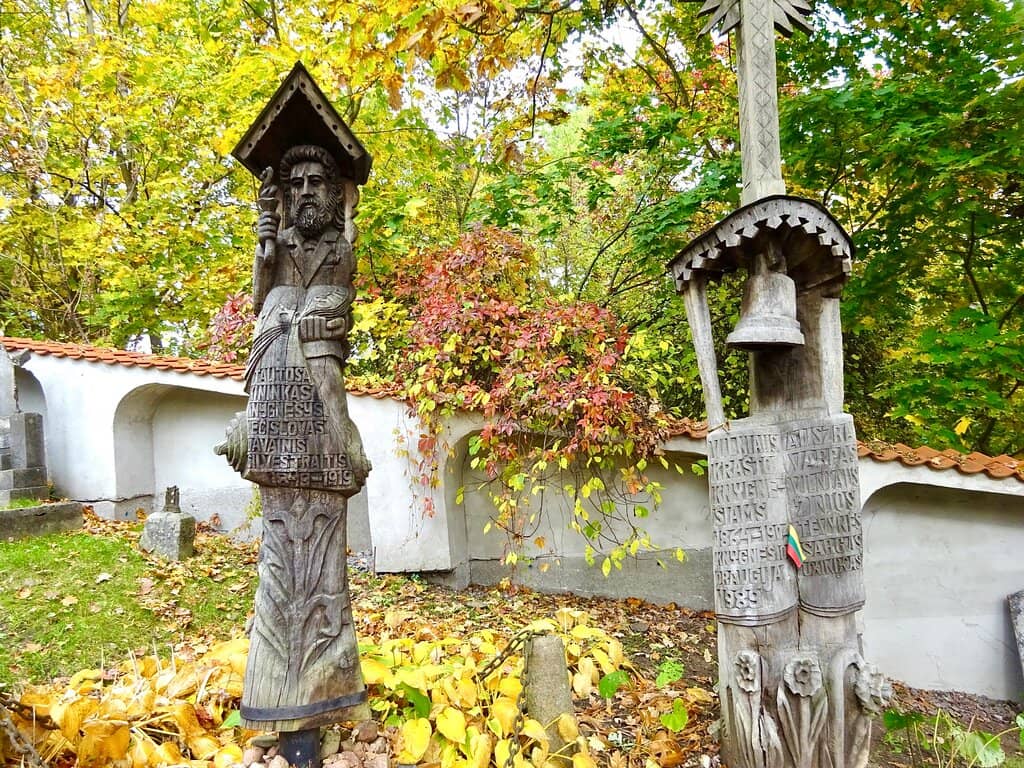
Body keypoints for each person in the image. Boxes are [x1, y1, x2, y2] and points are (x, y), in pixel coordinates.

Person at [219, 143, 371, 733]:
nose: (306, 191)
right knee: (280, 553)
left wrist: (325, 320)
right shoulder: (278, 245)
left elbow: (338, 301)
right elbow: (263, 300)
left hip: (321, 403)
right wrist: (263, 248)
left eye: (317, 182)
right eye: (297, 183)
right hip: (279, 403)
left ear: (336, 194)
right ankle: (275, 688)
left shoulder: (340, 245)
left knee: (326, 558)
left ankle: (328, 681)